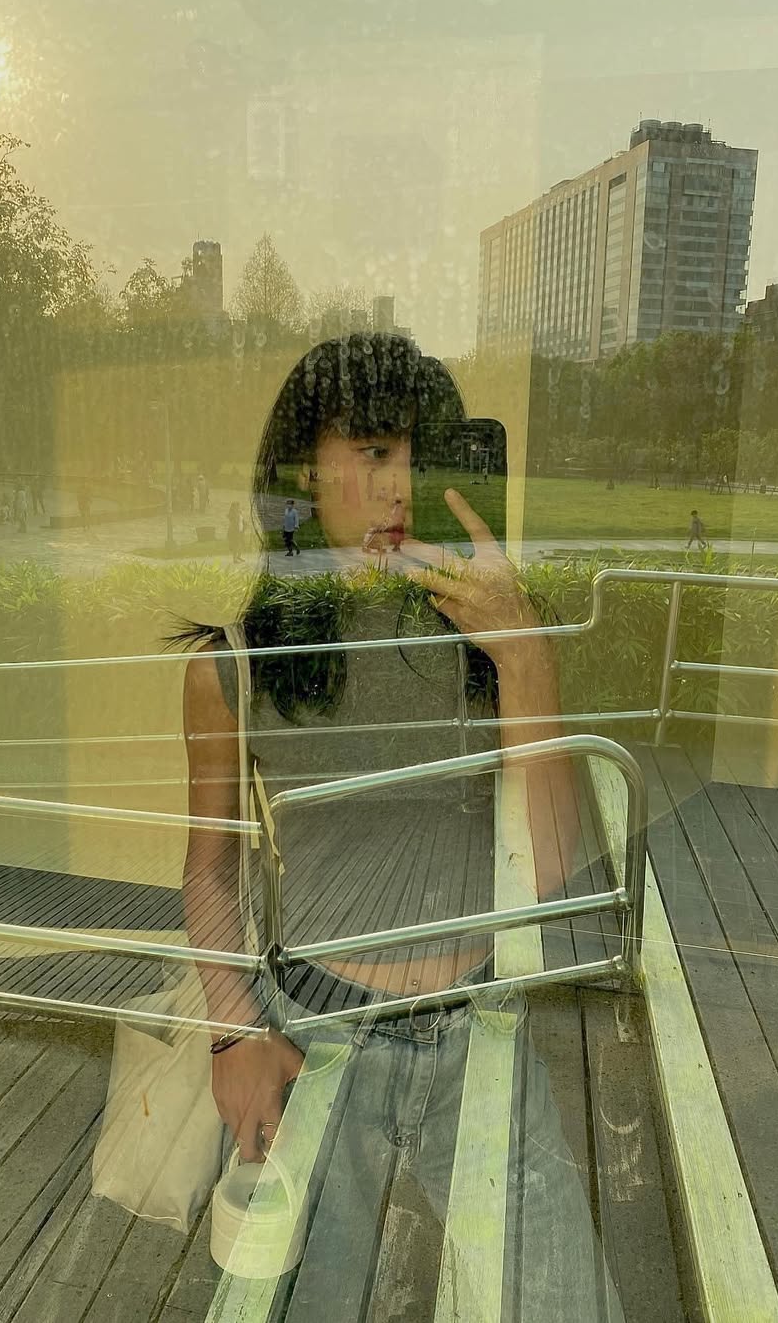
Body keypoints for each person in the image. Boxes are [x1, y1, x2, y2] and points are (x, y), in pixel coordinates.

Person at [173, 334, 614, 1319]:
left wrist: (526, 659)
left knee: (564, 1303)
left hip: (481, 1030)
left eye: (423, 456)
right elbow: (211, 869)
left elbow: (548, 867)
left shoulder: (488, 643)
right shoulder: (234, 664)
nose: (401, 488)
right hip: (316, 1037)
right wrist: (232, 1031)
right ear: (302, 472)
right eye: (374, 452)